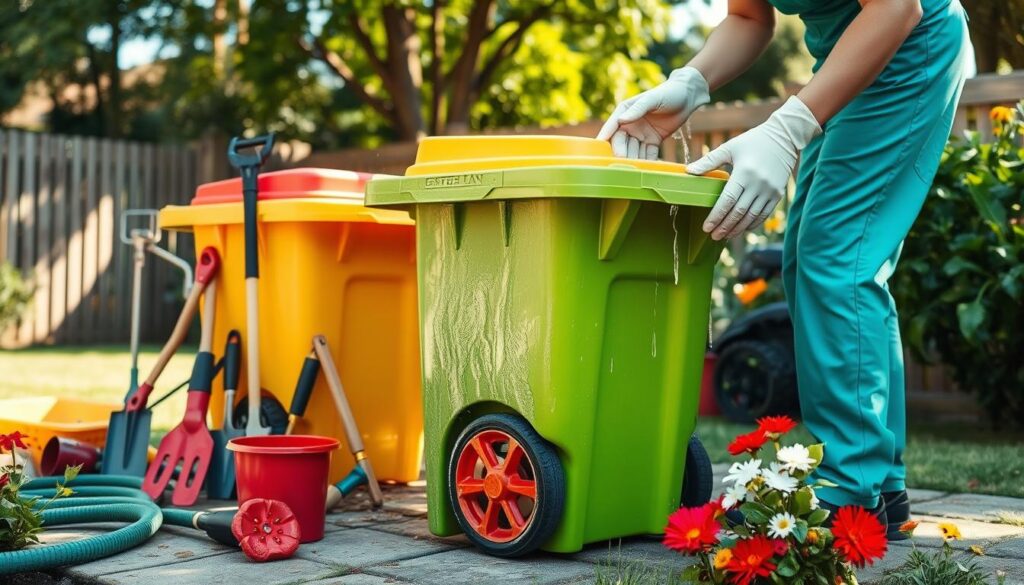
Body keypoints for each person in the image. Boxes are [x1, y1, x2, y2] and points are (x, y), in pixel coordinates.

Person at [598, 0, 971, 540]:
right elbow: (750, 18)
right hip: (849, 58)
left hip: (910, 47)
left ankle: (847, 488)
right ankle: (880, 483)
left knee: (837, 257)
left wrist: (788, 127)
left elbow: (897, 7)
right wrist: (691, 82)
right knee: (811, 260)